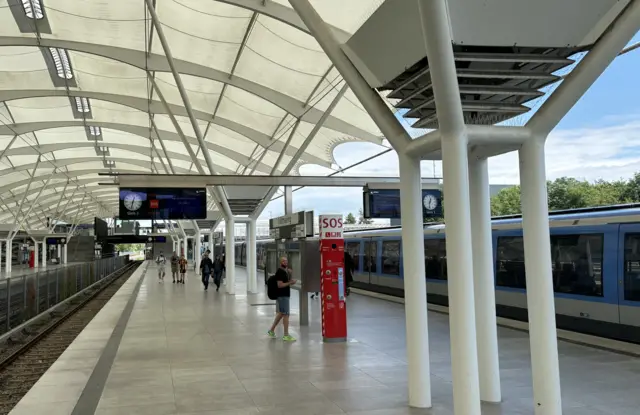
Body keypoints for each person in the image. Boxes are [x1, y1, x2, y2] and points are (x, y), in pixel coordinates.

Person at [267, 257, 297, 342]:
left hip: (285, 295)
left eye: (286, 260)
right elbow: (280, 285)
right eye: (283, 261)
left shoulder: (285, 271)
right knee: (286, 314)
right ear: (280, 262)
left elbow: (287, 281)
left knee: (281, 313)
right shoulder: (280, 272)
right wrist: (291, 282)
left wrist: (290, 275)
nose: (285, 262)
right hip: (282, 296)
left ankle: (271, 330)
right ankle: (286, 335)